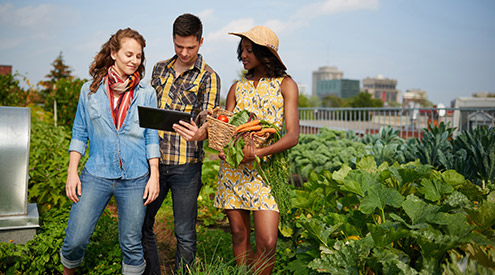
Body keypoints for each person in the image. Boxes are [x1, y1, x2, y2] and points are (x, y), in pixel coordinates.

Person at [60, 28, 160, 275]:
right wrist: (73, 172)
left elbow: (151, 137)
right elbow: (79, 133)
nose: (133, 60)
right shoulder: (90, 91)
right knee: (75, 239)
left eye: (138, 56)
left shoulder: (147, 94)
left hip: (136, 177)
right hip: (97, 174)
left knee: (131, 244)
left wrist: (154, 175)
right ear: (114, 53)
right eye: (128, 54)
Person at [141, 13, 221, 274]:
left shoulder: (209, 77)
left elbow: (209, 118)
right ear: (173, 40)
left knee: (184, 233)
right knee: (142, 222)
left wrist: (202, 133)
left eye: (191, 47)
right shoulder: (159, 68)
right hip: (153, 161)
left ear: (201, 41)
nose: (184, 53)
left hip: (186, 165)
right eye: (179, 46)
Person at [217, 26, 299, 274]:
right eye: (241, 50)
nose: (243, 55)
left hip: (267, 171)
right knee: (239, 234)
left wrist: (260, 153)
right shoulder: (236, 88)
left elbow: (293, 135)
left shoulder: (286, 85)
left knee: (267, 241)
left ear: (265, 53)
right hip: (235, 170)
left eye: (249, 50)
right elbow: (226, 128)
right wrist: (224, 147)